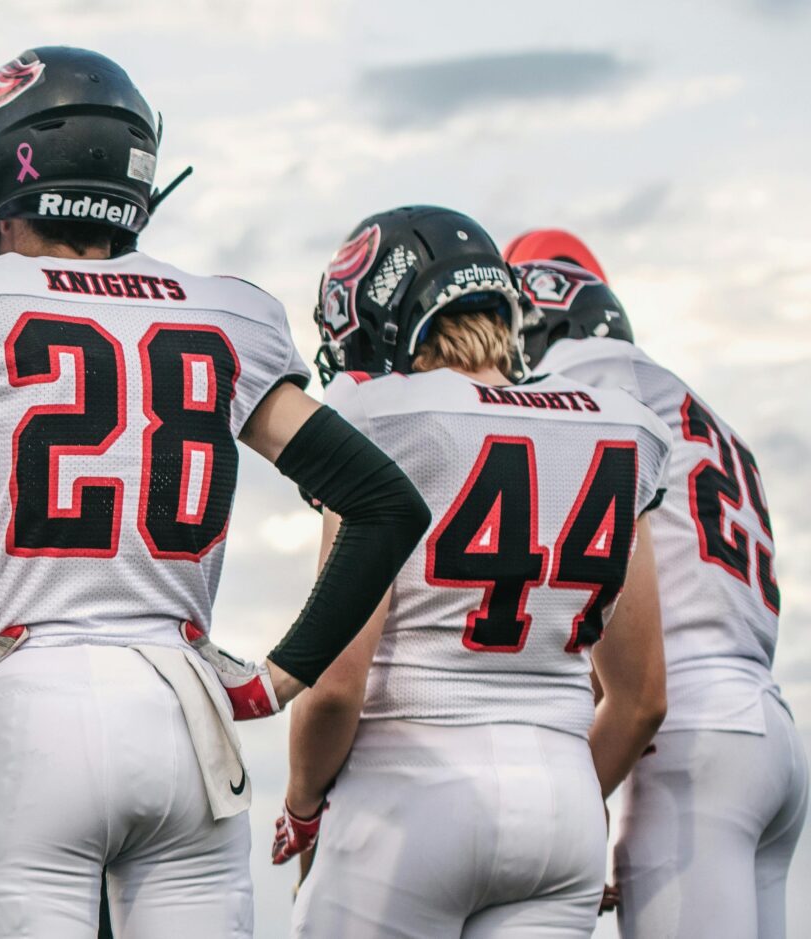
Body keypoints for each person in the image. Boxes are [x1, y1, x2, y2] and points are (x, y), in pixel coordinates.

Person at [0, 47, 431, 938]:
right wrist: (279, 677)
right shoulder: (224, 312)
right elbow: (383, 502)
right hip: (188, 712)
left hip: (28, 703)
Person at [278, 206, 674, 936]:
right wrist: (553, 796)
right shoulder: (622, 424)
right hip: (562, 810)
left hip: (408, 791)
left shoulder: (374, 414)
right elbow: (642, 696)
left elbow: (336, 683)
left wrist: (301, 803)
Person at [509, 234, 804, 938]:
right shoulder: (698, 408)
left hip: (685, 738)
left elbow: (584, 606)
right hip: (770, 729)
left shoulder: (574, 391)